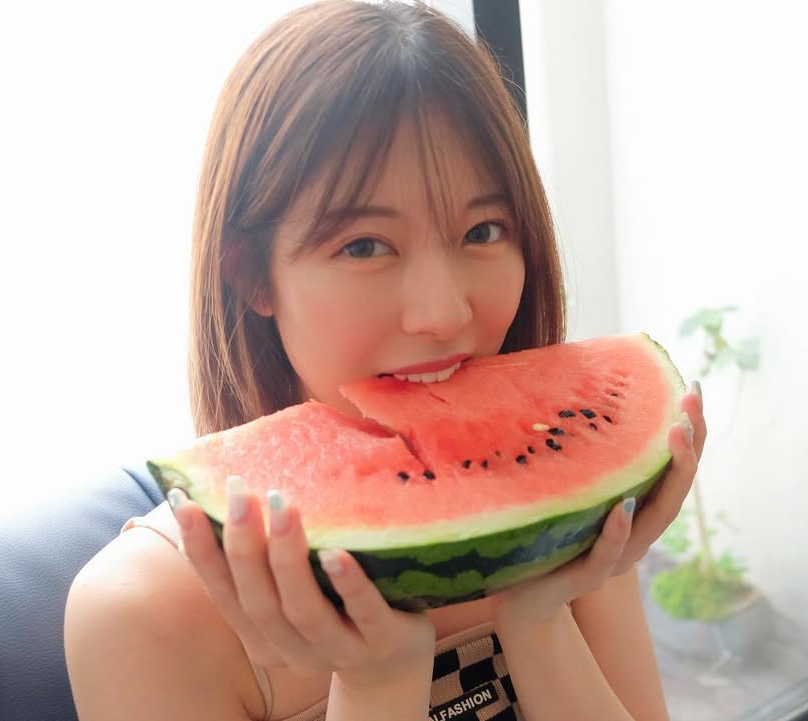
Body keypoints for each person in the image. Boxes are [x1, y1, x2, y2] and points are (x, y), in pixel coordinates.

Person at [63, 2, 706, 720]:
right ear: (251, 276)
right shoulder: (142, 615)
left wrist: (540, 615)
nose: (444, 312)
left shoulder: (566, 506)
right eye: (364, 246)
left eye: (483, 230)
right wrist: (377, 684)